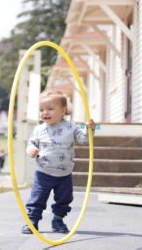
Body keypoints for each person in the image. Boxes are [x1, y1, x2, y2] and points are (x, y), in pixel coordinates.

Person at [21, 90, 95, 234]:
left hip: (64, 174)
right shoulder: (39, 129)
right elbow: (31, 143)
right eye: (41, 110)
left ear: (63, 111)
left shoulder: (71, 127)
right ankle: (32, 221)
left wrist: (89, 130)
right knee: (37, 198)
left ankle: (57, 220)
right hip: (44, 172)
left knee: (64, 199)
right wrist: (31, 150)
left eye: (50, 109)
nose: (44, 113)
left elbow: (84, 140)